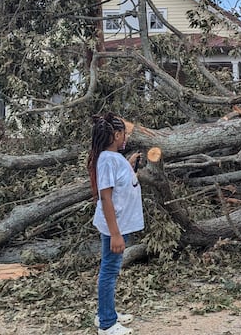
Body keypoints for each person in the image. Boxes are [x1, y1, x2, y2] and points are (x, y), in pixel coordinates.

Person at [86, 113, 143, 335]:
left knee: (111, 270)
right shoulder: (108, 160)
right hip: (115, 226)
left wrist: (128, 164)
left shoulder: (112, 158)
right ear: (116, 135)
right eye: (124, 134)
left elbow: (119, 183)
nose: (126, 138)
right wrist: (115, 233)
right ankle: (107, 323)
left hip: (118, 224)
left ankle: (106, 311)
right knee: (109, 271)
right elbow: (106, 197)